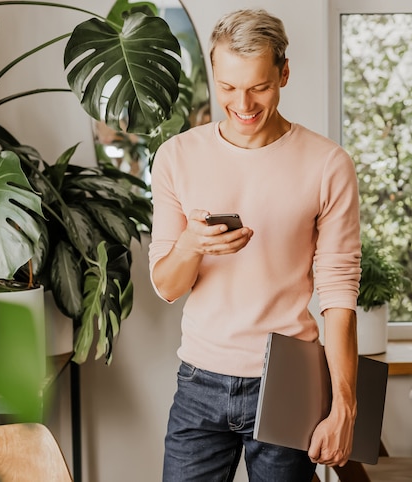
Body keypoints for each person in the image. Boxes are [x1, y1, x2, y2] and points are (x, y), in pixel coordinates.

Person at [148, 8, 362, 482]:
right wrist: (191, 245)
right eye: (227, 87)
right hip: (199, 381)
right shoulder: (177, 157)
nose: (242, 103)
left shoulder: (328, 164)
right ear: (213, 75)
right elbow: (166, 286)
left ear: (284, 73)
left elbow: (339, 291)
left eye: (259, 86)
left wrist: (344, 406)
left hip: (288, 380)